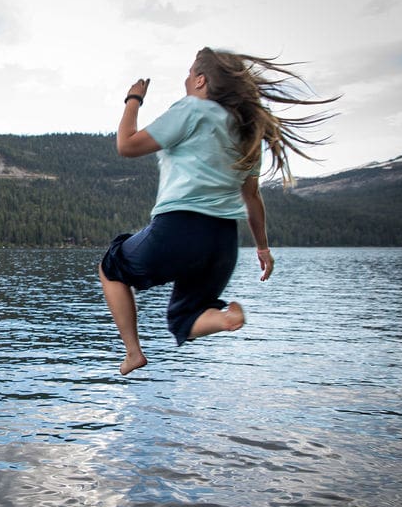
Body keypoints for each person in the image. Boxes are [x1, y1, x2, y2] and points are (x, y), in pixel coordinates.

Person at [99, 47, 337, 375]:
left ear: (200, 80)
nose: (186, 79)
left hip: (179, 228)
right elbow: (252, 198)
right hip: (224, 242)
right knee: (186, 319)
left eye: (189, 73)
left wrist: (133, 99)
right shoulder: (247, 130)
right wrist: (263, 247)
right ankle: (227, 318)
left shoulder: (192, 109)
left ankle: (133, 352)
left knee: (111, 267)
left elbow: (126, 145)